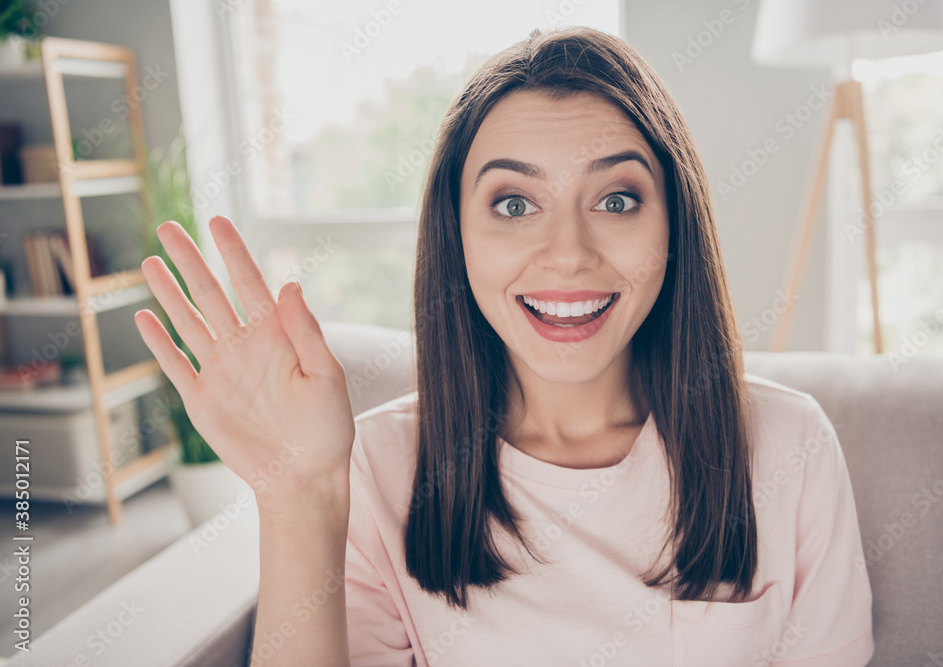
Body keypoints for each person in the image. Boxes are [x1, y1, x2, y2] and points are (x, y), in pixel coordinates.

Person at [135, 26, 874, 667]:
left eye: (617, 198)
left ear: (675, 224)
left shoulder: (791, 446)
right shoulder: (372, 471)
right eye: (514, 204)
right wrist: (295, 493)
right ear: (455, 238)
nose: (567, 253)